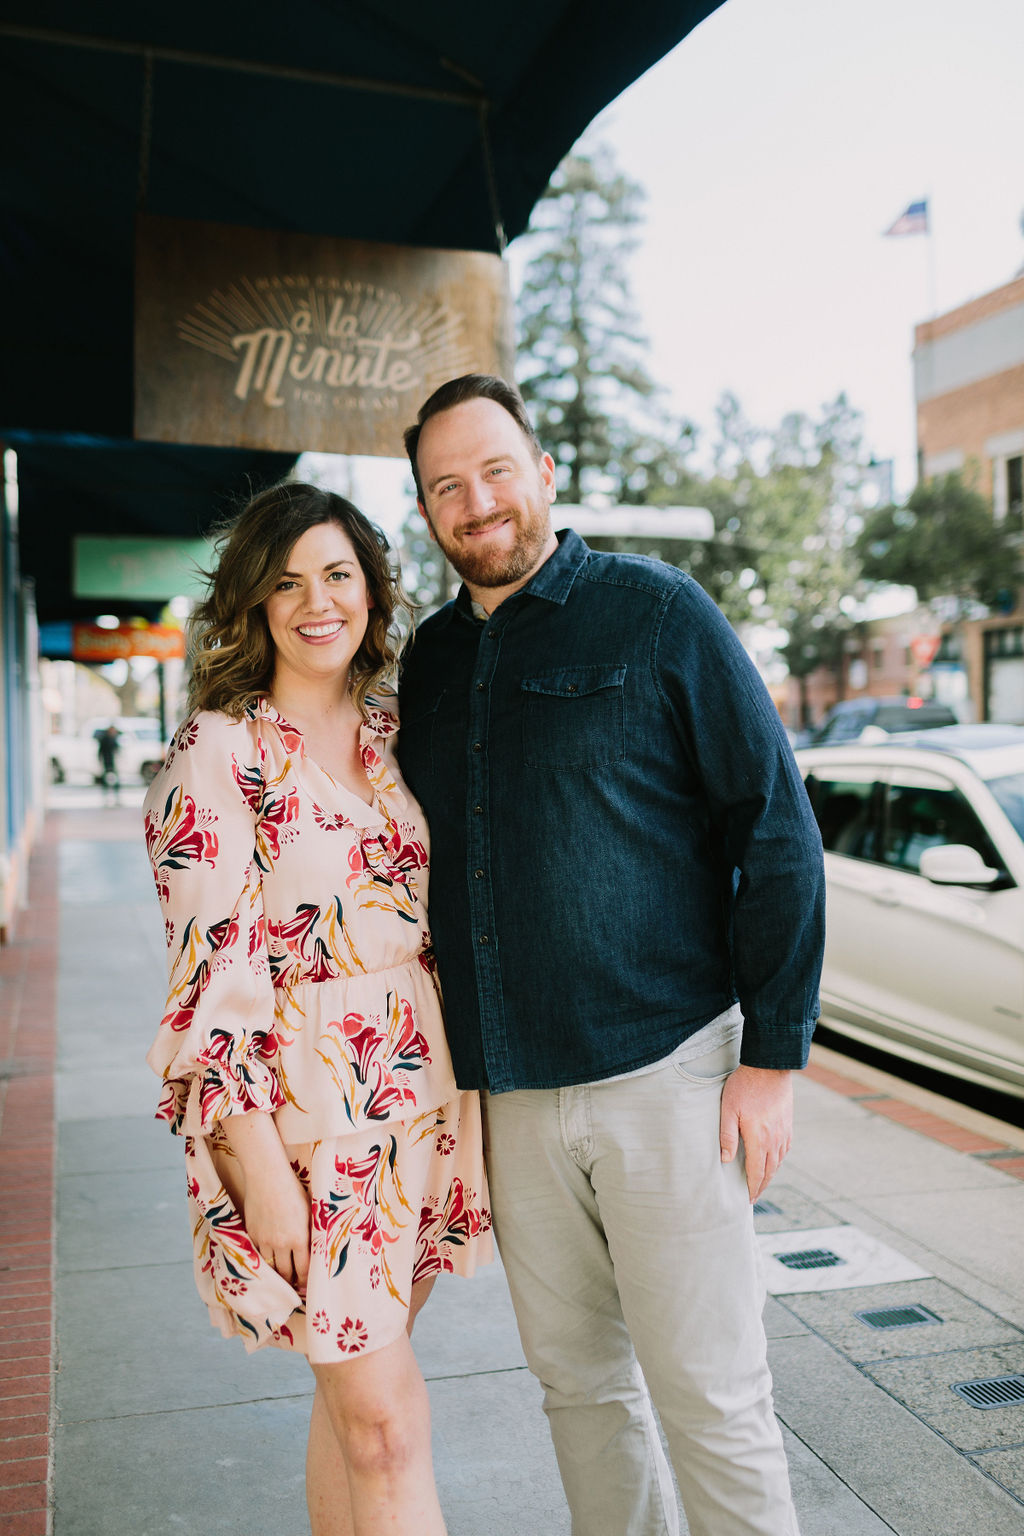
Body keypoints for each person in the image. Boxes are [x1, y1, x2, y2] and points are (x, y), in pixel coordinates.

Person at [398, 376, 826, 1536]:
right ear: (428, 511)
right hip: (514, 1106)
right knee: (580, 1398)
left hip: (667, 1078)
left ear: (542, 470)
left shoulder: (657, 613)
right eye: (446, 485)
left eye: (494, 469)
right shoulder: (429, 664)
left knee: (713, 1400)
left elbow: (776, 829)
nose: (476, 501)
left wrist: (772, 1058)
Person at [143, 482, 491, 1536]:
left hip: (426, 1109)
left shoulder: (402, 730)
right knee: (386, 1426)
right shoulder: (218, 752)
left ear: (372, 590)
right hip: (304, 1127)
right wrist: (257, 1170)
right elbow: (209, 981)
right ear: (252, 601)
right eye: (286, 581)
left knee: (356, 1413)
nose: (315, 601)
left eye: (337, 573)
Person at [97, 722, 121, 801]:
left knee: (115, 781)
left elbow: (117, 751)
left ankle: (115, 798)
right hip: (107, 763)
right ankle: (107, 797)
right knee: (107, 781)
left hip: (113, 763)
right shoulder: (105, 740)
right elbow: (100, 752)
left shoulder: (114, 739)